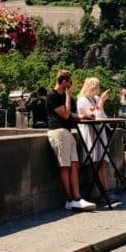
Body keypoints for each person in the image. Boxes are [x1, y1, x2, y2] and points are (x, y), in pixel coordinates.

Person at [46, 70, 96, 211]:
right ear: (64, 81)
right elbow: (66, 114)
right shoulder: (52, 96)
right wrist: (68, 96)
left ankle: (77, 197)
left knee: (74, 164)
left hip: (67, 132)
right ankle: (69, 200)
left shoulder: (66, 97)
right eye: (70, 82)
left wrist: (85, 117)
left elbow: (72, 114)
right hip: (58, 131)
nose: (71, 85)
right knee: (65, 165)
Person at [76, 77, 113, 198]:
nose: (99, 88)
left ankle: (106, 190)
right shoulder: (82, 100)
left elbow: (102, 116)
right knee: (96, 162)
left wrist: (100, 102)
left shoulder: (95, 98)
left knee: (101, 162)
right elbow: (94, 116)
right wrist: (102, 102)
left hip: (99, 132)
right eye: (97, 86)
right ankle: (103, 192)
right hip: (90, 133)